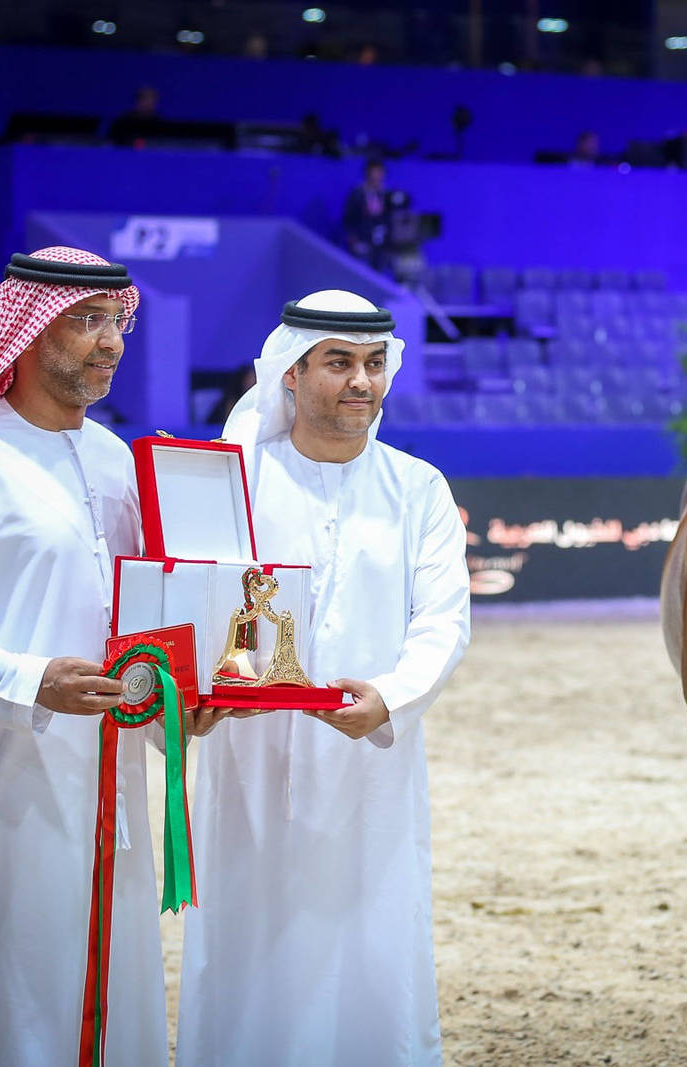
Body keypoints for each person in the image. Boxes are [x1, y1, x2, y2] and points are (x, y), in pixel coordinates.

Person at [0, 248, 208, 1066]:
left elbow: (142, 622)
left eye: (120, 322)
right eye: (87, 320)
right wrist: (30, 677)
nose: (110, 341)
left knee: (106, 971)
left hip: (108, 775)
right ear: (30, 329)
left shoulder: (119, 461)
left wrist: (181, 695)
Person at [177, 289, 471, 1066]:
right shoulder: (235, 482)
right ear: (291, 374)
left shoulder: (420, 489)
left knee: (371, 944)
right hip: (249, 766)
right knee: (249, 940)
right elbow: (194, 613)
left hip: (369, 766)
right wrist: (195, 697)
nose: (360, 382)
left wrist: (392, 699)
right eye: (338, 362)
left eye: (374, 364)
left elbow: (442, 621)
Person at [342, 158, 392, 269]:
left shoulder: (387, 195)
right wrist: (353, 240)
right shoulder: (357, 194)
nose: (377, 176)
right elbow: (348, 219)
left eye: (380, 172)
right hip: (362, 242)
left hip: (382, 245)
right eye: (374, 172)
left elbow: (390, 219)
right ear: (367, 173)